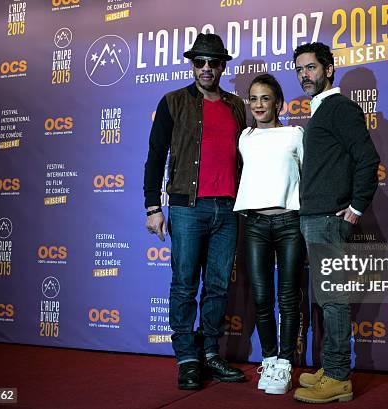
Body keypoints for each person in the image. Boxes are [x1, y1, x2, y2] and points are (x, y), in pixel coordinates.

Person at [143, 33, 247, 390]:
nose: (206, 68)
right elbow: (155, 156)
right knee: (185, 285)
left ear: (222, 66)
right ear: (192, 64)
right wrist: (152, 206)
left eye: (213, 62)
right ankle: (187, 357)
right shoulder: (173, 102)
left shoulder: (236, 106)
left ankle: (210, 353)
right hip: (187, 208)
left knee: (217, 286)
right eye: (199, 62)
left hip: (228, 209)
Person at [291, 43, 380, 404]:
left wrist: (356, 209)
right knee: (328, 300)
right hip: (315, 217)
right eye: (299, 69)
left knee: (334, 301)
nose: (303, 75)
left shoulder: (339, 108)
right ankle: (331, 367)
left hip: (329, 218)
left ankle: (340, 377)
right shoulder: (322, 111)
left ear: (328, 70)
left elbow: (367, 159)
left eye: (311, 68)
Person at [233, 74, 304, 395]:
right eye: (253, 99)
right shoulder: (244, 137)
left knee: (289, 298)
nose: (258, 105)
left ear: (279, 103)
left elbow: (308, 176)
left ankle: (286, 362)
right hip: (255, 226)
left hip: (290, 223)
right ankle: (270, 358)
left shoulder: (294, 134)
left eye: (265, 98)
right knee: (262, 297)